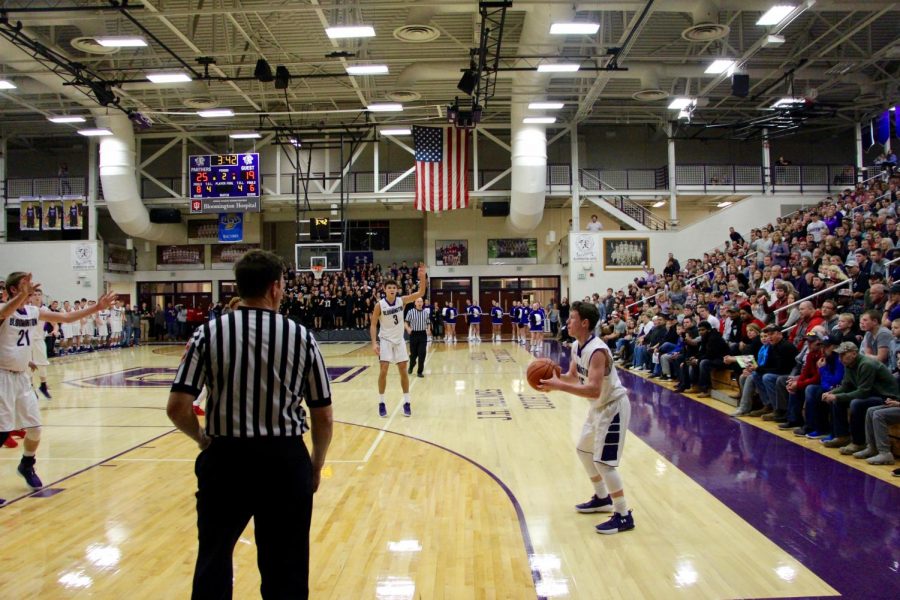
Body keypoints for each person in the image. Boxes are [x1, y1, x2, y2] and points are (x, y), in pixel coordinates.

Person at [168, 249, 333, 600]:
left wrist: (201, 439)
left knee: (213, 560)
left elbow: (177, 407)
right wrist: (315, 465)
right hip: (284, 461)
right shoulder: (301, 336)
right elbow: (323, 414)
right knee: (286, 569)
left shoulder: (208, 334)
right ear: (275, 288)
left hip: (225, 459)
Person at [0, 272, 115, 506]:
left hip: (21, 377)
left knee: (35, 429)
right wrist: (21, 295)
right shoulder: (4, 308)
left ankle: (27, 464)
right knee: (1, 433)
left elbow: (67, 316)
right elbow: (3, 313)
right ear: (13, 290)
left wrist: (96, 308)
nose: (31, 286)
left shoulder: (33, 311)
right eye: (24, 284)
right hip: (1, 375)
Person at [539, 301, 635, 534]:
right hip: (598, 408)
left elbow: (593, 389)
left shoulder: (598, 351)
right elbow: (573, 376)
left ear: (584, 323)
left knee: (603, 462)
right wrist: (552, 379)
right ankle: (602, 498)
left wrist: (559, 387)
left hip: (613, 408)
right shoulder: (576, 346)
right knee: (584, 450)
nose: (568, 322)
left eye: (572, 318)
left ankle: (623, 514)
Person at [371, 265, 427, 418]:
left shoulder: (402, 301)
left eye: (394, 288)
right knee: (383, 370)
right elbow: (373, 324)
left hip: (399, 340)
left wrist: (422, 277)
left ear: (396, 290)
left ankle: (407, 402)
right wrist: (374, 343)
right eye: (389, 287)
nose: (392, 290)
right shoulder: (379, 305)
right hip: (385, 340)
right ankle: (381, 402)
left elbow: (421, 292)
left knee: (403, 370)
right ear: (384, 289)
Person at [405, 297, 429, 378]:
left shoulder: (426, 313)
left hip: (423, 335)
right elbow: (406, 322)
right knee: (413, 355)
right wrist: (408, 328)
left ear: (423, 303)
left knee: (422, 353)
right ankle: (411, 365)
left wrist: (428, 330)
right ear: (415, 303)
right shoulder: (410, 312)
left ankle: (420, 371)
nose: (419, 303)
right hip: (413, 334)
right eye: (418, 301)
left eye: (421, 301)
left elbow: (428, 323)